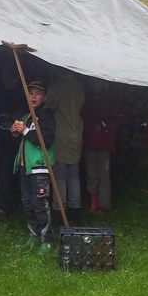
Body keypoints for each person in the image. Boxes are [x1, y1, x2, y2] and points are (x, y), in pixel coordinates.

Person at [11, 80, 57, 255]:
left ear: (44, 97)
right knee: (28, 203)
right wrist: (16, 131)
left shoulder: (47, 116)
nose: (34, 97)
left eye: (38, 93)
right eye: (31, 93)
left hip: (40, 168)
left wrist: (25, 131)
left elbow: (46, 141)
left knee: (40, 205)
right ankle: (34, 235)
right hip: (26, 167)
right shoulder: (27, 116)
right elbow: (25, 138)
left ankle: (47, 241)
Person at [0, 59, 27, 220]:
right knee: (6, 174)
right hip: (4, 141)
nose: (9, 78)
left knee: (19, 174)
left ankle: (23, 206)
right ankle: (5, 207)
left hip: (19, 141)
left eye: (12, 75)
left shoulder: (22, 95)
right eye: (8, 75)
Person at [47, 67, 85, 225]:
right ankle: (75, 212)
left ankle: (59, 211)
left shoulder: (56, 86)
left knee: (60, 175)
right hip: (77, 133)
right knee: (74, 174)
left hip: (61, 134)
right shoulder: (79, 87)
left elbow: (49, 104)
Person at [81, 78, 124, 215]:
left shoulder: (110, 99)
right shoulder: (87, 99)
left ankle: (103, 204)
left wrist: (104, 126)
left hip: (105, 143)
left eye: (97, 82)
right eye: (93, 82)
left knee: (103, 175)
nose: (95, 85)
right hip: (90, 142)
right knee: (91, 174)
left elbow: (118, 119)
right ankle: (93, 202)